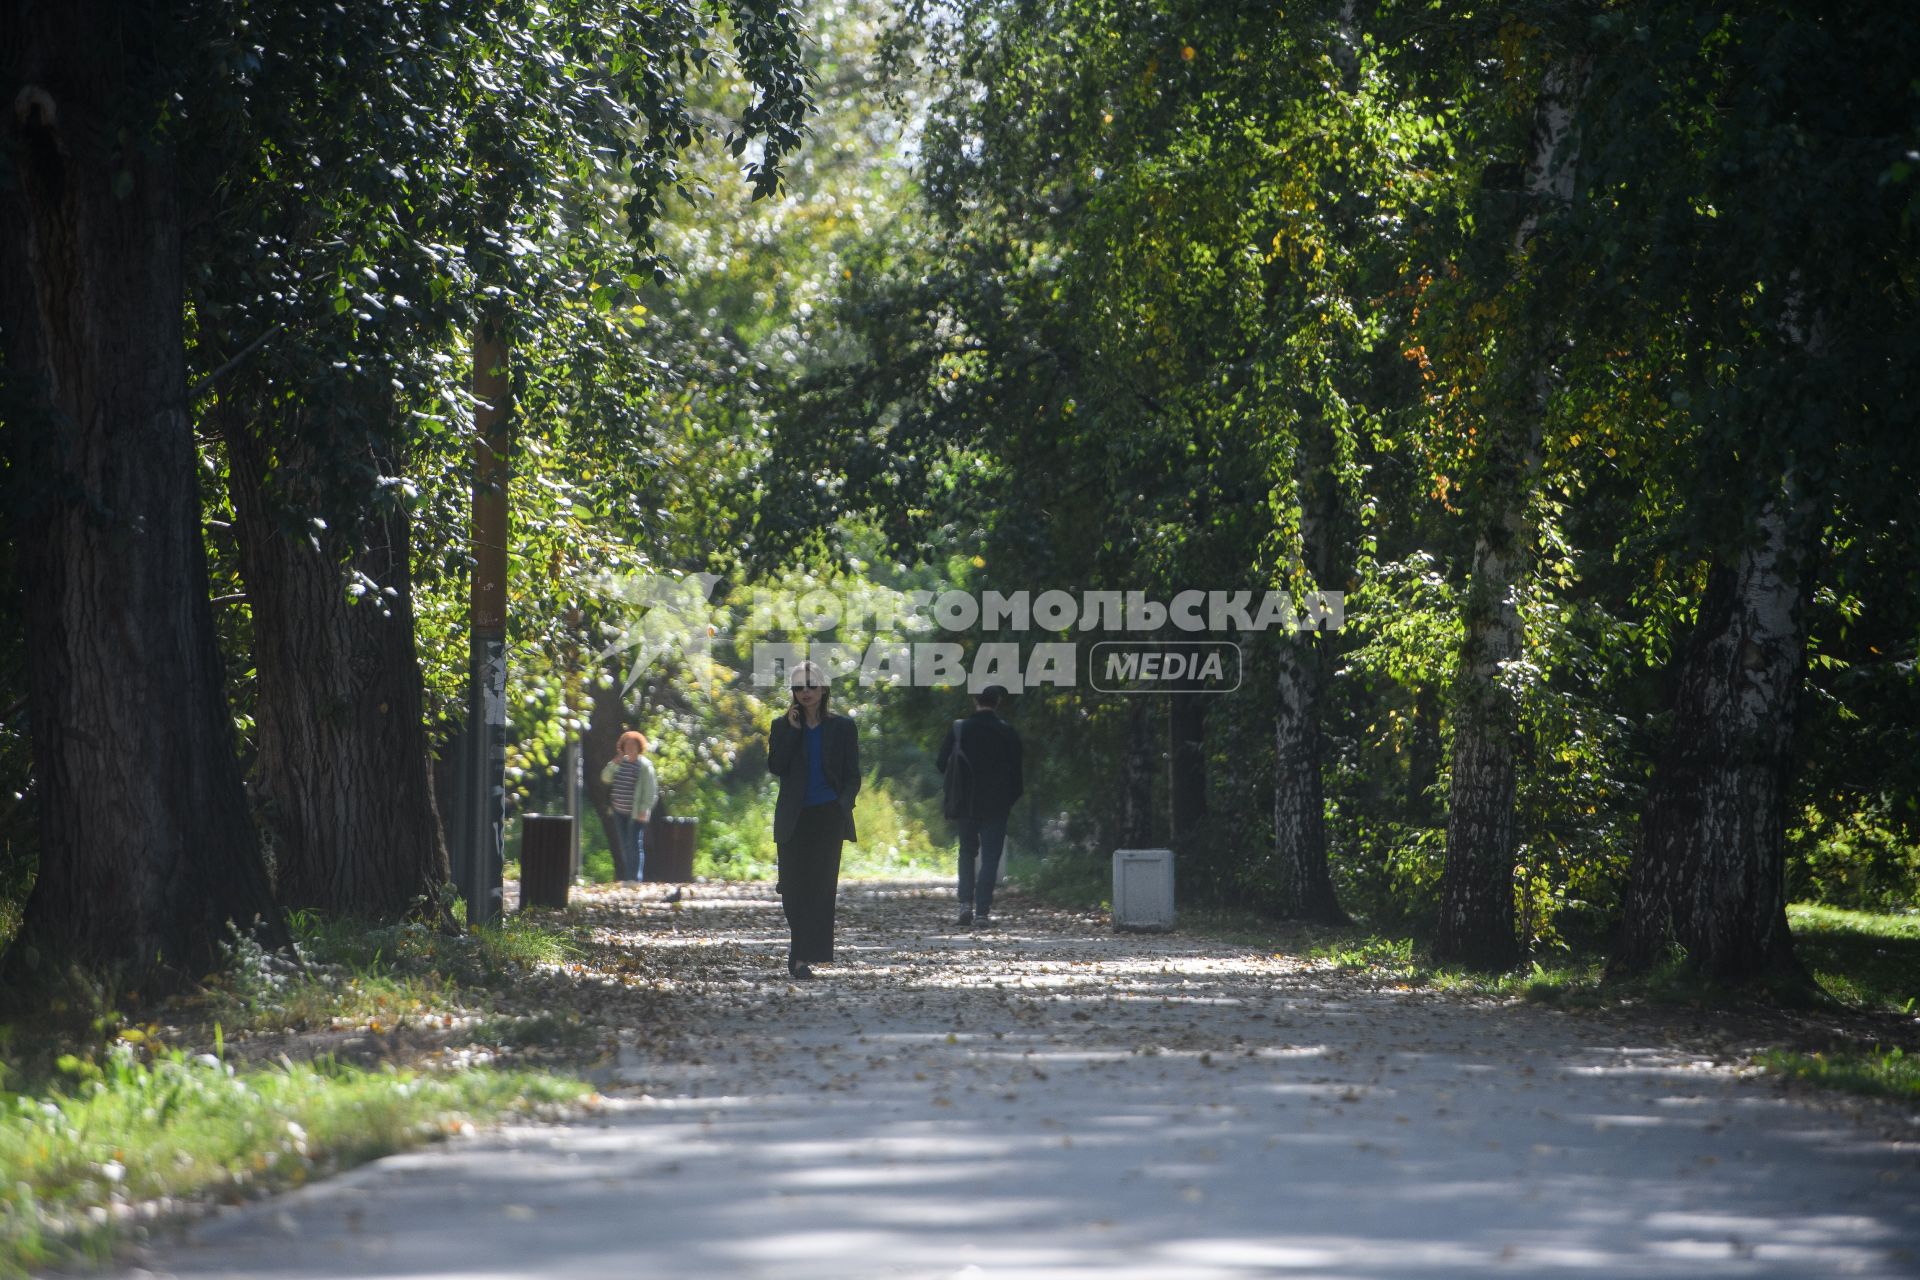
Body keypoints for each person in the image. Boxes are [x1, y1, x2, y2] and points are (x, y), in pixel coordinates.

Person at [767, 660, 860, 978]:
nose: (805, 692)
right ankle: (802, 950)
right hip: (794, 817)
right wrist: (793, 732)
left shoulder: (843, 727)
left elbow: (852, 775)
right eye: (798, 687)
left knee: (820, 889)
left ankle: (801, 957)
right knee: (792, 889)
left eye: (811, 685)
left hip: (828, 815)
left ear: (823, 689)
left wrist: (841, 804)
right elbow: (777, 766)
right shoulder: (782, 726)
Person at [936, 684, 1024, 927]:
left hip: (965, 803)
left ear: (974, 699)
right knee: (991, 857)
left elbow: (941, 763)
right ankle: (982, 912)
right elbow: (1017, 777)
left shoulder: (960, 729)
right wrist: (1008, 799)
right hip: (997, 805)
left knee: (967, 852)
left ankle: (965, 905)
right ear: (998, 702)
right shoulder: (1007, 732)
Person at [600, 731, 657, 884]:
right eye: (627, 744)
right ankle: (629, 876)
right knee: (625, 844)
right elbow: (605, 778)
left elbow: (650, 790)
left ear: (639, 747)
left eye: (633, 744)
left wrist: (645, 809)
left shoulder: (644, 766)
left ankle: (634, 878)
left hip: (636, 812)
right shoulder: (619, 763)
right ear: (622, 747)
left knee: (634, 843)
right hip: (619, 811)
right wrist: (614, 763)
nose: (630, 747)